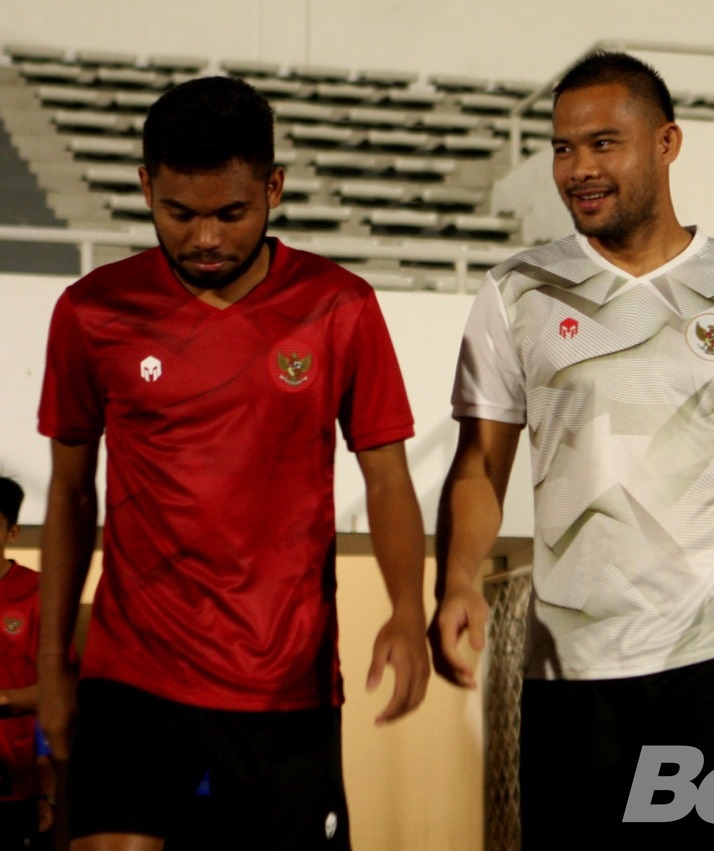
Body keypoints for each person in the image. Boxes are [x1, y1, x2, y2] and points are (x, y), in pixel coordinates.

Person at [429, 51, 714, 849]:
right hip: (569, 675)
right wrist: (454, 582)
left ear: (667, 143)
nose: (579, 169)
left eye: (602, 144)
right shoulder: (515, 292)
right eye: (563, 148)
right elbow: (480, 466)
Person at [36, 76, 429, 850]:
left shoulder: (339, 305)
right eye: (179, 214)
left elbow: (387, 476)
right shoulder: (92, 311)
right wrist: (55, 663)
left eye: (231, 213)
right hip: (133, 676)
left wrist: (407, 610)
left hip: (285, 685)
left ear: (274, 188)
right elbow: (72, 495)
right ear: (146, 185)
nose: (204, 238)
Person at [0, 477, 52, 850]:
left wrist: (46, 791)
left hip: (14, 786)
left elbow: (58, 691)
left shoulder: (38, 592)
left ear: (12, 532)